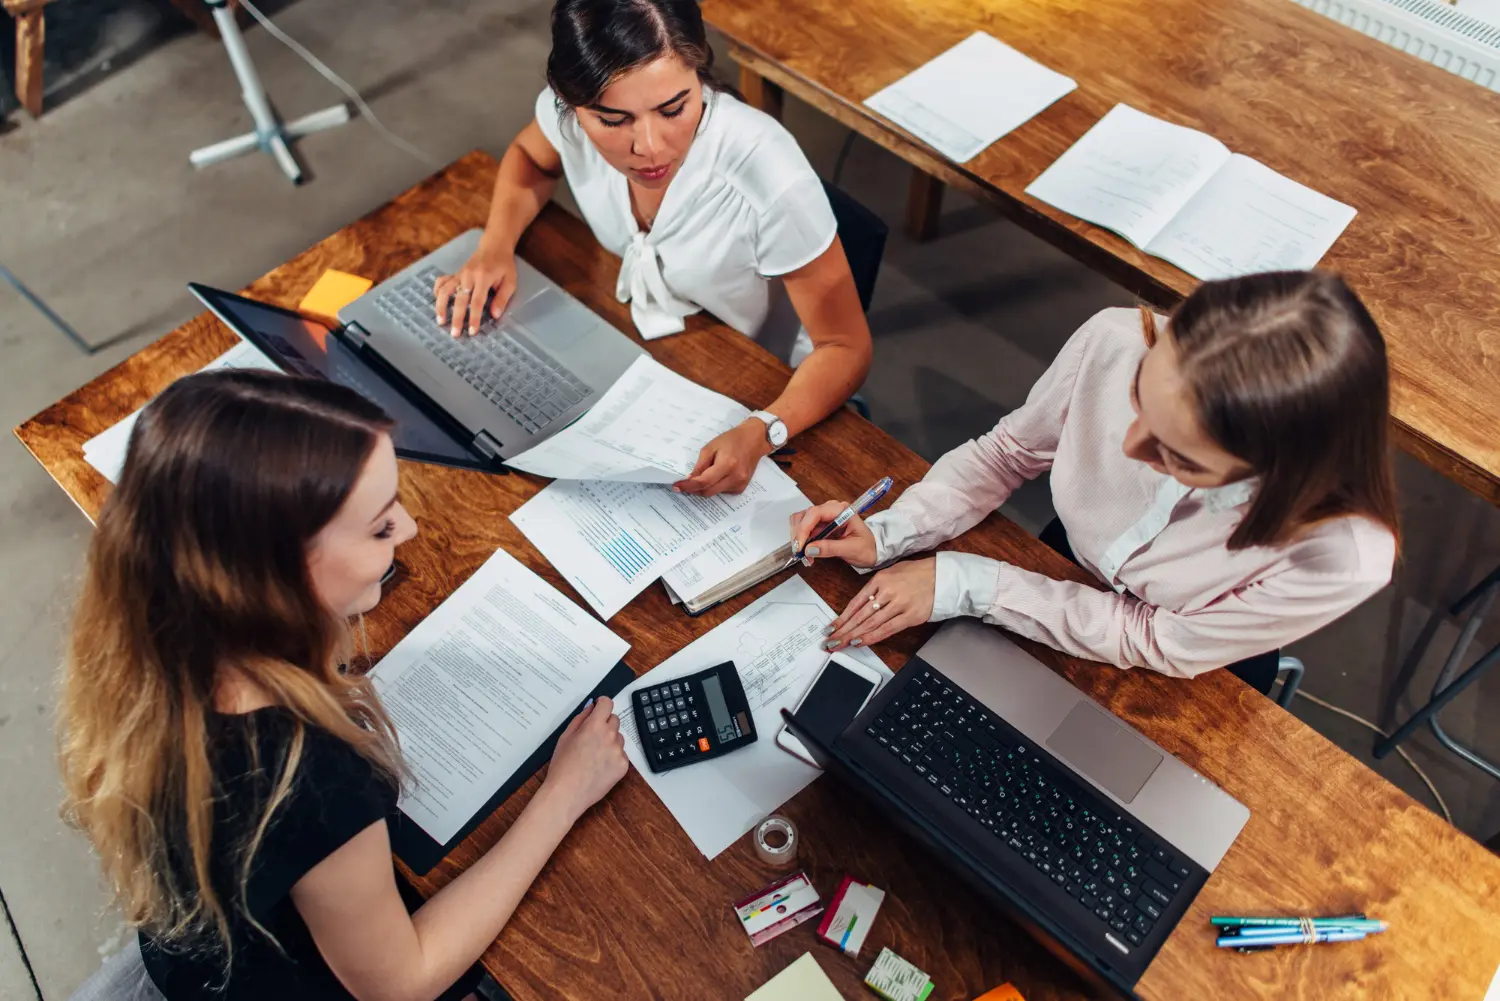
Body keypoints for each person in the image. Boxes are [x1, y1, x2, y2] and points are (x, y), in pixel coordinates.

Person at [58, 371, 629, 1001]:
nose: (408, 529)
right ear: (281, 574)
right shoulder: (307, 775)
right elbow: (401, 982)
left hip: (200, 951)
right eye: (381, 527)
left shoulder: (145, 632)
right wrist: (563, 794)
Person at [791, 271, 1400, 690]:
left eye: (1178, 458)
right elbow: (1008, 453)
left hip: (1185, 661)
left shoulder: (1341, 559)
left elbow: (1156, 641)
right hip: (1064, 566)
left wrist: (964, 583)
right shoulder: (1116, 338)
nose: (1129, 447)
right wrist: (892, 532)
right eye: (1138, 396)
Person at [436, 0, 873, 498]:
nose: (650, 147)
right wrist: (495, 247)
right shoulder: (566, 120)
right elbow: (529, 158)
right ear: (569, 102)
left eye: (673, 109)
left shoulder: (769, 173)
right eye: (613, 120)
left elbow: (846, 349)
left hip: (772, 392)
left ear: (698, 72)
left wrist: (765, 429)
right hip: (652, 356)